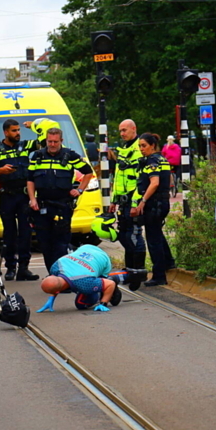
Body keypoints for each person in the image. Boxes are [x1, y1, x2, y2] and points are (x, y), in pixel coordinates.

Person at [27, 127, 94, 271]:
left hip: (62, 205)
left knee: (61, 244)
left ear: (61, 141)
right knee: (44, 243)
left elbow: (88, 172)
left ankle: (63, 276)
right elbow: (30, 179)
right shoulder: (37, 156)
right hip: (42, 206)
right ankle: (52, 274)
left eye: (55, 142)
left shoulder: (69, 156)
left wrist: (80, 190)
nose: (51, 144)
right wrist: (32, 199)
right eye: (49, 141)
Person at [0, 119, 38, 281]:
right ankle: (10, 267)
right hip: (7, 195)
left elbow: (46, 139)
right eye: (14, 131)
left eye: (18, 130)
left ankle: (24, 268)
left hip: (23, 196)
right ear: (6, 132)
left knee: (26, 232)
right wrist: (0, 170)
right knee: (9, 233)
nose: (17, 133)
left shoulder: (26, 146)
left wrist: (35, 126)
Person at [35, 244, 145, 313]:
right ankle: (104, 284)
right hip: (87, 248)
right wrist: (51, 298)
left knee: (81, 303)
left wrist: (104, 303)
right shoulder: (55, 267)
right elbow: (55, 283)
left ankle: (128, 275)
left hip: (103, 260)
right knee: (93, 286)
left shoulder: (83, 283)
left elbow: (109, 285)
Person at [131, 133, 174, 286]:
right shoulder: (163, 159)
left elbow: (154, 182)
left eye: (144, 146)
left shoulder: (152, 161)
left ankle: (159, 276)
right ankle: (169, 262)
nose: (141, 149)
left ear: (152, 145)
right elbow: (168, 180)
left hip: (154, 204)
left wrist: (143, 201)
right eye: (140, 146)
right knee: (157, 234)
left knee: (153, 239)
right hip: (162, 202)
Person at [108, 119, 145, 270]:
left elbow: (141, 180)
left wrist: (136, 203)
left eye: (124, 130)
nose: (122, 133)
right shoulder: (124, 149)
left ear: (133, 129)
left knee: (134, 234)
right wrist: (114, 200)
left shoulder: (140, 149)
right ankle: (130, 268)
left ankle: (138, 269)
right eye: (120, 131)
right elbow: (118, 178)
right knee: (124, 234)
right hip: (123, 200)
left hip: (133, 199)